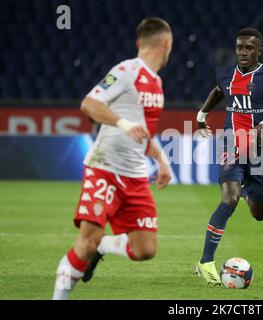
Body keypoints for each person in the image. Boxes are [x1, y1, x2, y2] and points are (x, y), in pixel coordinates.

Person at [52, 17, 173, 300]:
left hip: (134, 177)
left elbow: (143, 131)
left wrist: (161, 159)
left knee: (145, 250)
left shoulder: (156, 83)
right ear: (166, 43)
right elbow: (89, 104)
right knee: (86, 242)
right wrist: (123, 124)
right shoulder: (126, 70)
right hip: (103, 169)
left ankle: (105, 246)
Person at [194, 28, 263, 286]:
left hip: (258, 150)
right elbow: (218, 91)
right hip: (230, 144)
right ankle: (205, 262)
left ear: (259, 50)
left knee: (259, 213)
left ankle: (249, 190)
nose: (243, 52)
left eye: (249, 48)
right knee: (229, 198)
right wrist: (201, 116)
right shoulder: (226, 73)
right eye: (239, 48)